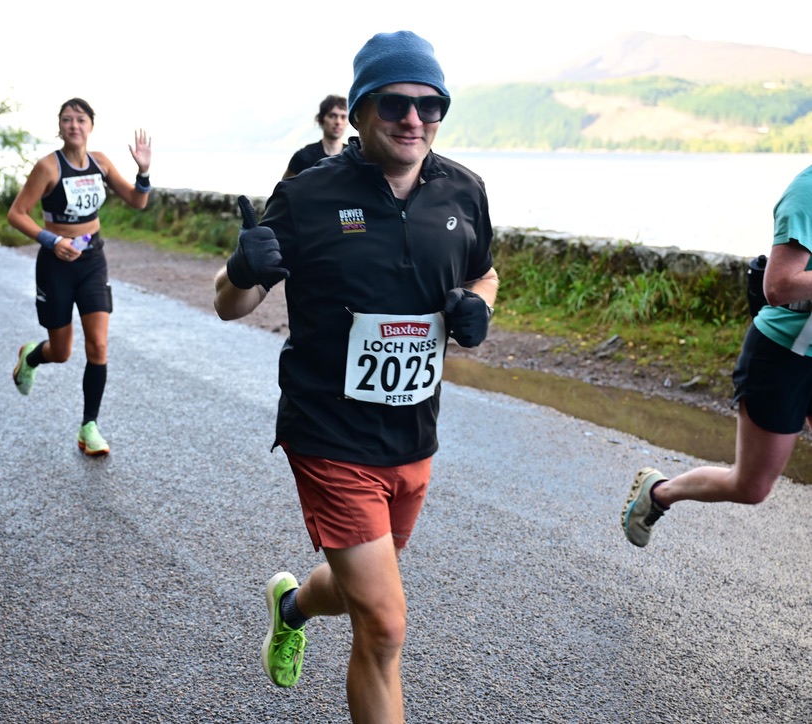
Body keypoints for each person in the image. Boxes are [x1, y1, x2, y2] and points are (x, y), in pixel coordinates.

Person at [213, 31, 498, 722]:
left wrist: (478, 307)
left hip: (413, 434)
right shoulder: (308, 195)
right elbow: (230, 302)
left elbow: (483, 273)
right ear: (363, 109)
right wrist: (244, 270)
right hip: (328, 431)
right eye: (396, 103)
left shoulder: (464, 191)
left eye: (431, 106)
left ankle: (291, 605)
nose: (414, 119)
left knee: (361, 588)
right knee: (386, 623)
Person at [622, 162, 812, 548]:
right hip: (782, 357)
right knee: (751, 486)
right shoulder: (806, 193)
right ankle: (659, 492)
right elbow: (778, 286)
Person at [6, 98, 151, 457]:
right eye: (67, 119)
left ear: (91, 126)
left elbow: (137, 201)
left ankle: (90, 426)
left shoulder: (100, 163)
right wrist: (52, 241)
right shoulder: (48, 167)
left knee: (98, 345)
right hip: (56, 263)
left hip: (92, 261)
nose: (74, 125)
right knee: (61, 351)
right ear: (60, 127)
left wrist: (143, 172)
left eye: (81, 119)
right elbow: (17, 214)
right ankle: (32, 357)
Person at [282, 94, 348, 179]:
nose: (338, 122)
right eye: (332, 116)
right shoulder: (303, 157)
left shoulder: (353, 157)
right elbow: (285, 186)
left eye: (343, 117)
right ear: (321, 120)